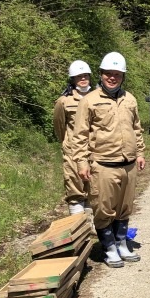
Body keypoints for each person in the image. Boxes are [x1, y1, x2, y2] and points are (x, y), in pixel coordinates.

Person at [72, 52, 145, 268]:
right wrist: (82, 162)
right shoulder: (89, 101)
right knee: (104, 209)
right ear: (101, 75)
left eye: (117, 74)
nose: (112, 78)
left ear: (123, 76)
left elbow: (137, 128)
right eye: (108, 74)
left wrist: (140, 152)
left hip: (128, 163)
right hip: (103, 165)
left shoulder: (130, 99)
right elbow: (80, 135)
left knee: (124, 207)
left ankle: (122, 243)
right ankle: (109, 248)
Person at [53, 60, 93, 215]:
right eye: (79, 76)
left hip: (96, 150)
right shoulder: (64, 101)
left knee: (95, 189)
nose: (83, 79)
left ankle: (94, 228)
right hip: (73, 152)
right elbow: (59, 125)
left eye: (85, 76)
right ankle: (78, 229)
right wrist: (67, 143)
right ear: (73, 79)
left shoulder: (99, 97)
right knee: (75, 190)